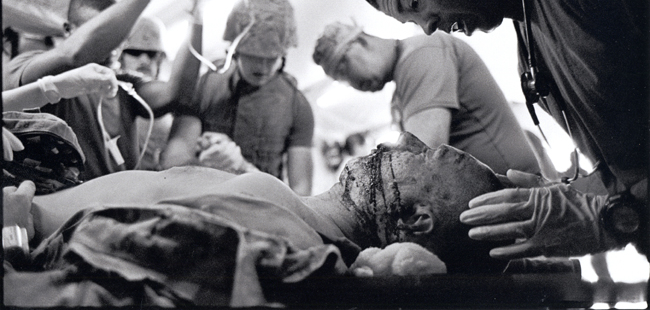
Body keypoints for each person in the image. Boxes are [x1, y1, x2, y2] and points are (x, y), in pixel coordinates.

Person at [351, 0, 648, 258]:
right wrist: (570, 198)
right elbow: (628, 169)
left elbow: (625, 205)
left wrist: (616, 218)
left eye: (414, 3)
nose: (427, 28)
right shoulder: (528, 44)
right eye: (412, 21)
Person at [5, 132, 527, 306]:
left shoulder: (289, 240)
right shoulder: (292, 215)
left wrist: (11, 232)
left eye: (425, 156)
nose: (404, 141)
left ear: (413, 221)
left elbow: (77, 271)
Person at [4, 0, 210, 180]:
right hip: (75, 211)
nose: (111, 47)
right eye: (102, 37)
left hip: (124, 209)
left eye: (117, 38)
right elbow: (72, 54)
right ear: (69, 30)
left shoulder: (122, 84)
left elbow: (176, 93)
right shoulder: (29, 67)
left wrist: (197, 15)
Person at [313, 22, 541, 175]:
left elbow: (420, 159)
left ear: (360, 43)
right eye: (341, 80)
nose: (354, 85)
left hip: (516, 194)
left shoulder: (421, 55)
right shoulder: (402, 84)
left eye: (344, 69)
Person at [162, 0, 314, 196]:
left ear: (284, 54)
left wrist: (244, 168)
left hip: (261, 211)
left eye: (271, 58)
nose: (262, 67)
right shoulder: (206, 86)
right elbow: (171, 163)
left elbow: (302, 194)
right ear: (234, 50)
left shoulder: (297, 105)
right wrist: (202, 166)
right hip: (204, 201)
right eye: (252, 55)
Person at [117, 16, 173, 170]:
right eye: (135, 52)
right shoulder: (108, 99)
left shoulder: (172, 100)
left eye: (152, 54)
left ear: (161, 58)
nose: (144, 60)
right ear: (120, 56)